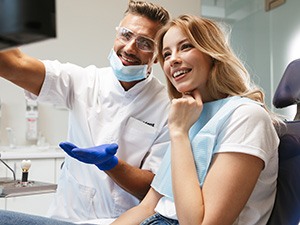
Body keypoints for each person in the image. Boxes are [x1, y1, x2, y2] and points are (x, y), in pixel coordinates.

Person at [0, 0, 170, 223]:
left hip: (120, 220)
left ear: (157, 55)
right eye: (126, 35)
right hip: (66, 216)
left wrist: (111, 164)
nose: (130, 48)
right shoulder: (83, 81)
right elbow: (15, 64)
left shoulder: (166, 106)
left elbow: (152, 190)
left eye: (144, 43)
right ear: (116, 34)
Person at [110, 14, 281, 225]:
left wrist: (179, 134)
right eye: (166, 54)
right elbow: (148, 206)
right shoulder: (190, 116)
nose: (173, 59)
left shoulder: (246, 117)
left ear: (212, 53)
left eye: (185, 47)